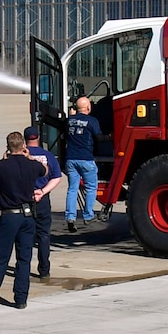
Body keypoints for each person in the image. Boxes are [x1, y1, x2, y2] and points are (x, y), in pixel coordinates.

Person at [0, 131, 54, 309]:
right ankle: (21, 298)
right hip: (27, 216)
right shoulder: (31, 165)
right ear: (23, 146)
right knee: (24, 259)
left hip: (9, 216)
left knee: (1, 258)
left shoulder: (1, 166)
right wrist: (30, 158)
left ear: (8, 147)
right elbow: (46, 171)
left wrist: (3, 160)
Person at [63, 95, 105, 232]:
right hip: (86, 159)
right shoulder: (92, 121)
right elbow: (99, 138)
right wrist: (109, 137)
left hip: (71, 159)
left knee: (72, 189)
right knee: (91, 187)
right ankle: (88, 215)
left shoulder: (69, 121)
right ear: (88, 107)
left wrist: (71, 116)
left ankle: (70, 216)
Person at [24, 126, 60, 279]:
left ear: (25, 139)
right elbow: (56, 177)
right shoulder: (48, 156)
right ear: (38, 137)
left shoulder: (20, 156)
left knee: (25, 235)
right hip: (42, 199)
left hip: (24, 199)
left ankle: (23, 268)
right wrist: (43, 192)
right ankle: (44, 270)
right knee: (44, 235)